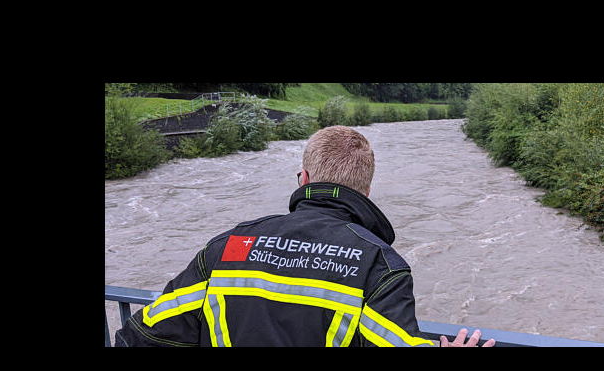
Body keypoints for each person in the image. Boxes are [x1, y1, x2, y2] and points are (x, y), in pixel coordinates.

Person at [114, 125, 495, 347]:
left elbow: (140, 337)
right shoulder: (379, 267)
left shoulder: (228, 248)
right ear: (366, 191)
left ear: (305, 179)